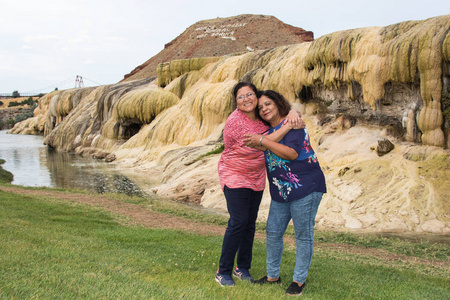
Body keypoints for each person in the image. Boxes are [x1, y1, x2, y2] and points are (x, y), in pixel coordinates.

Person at [215, 82, 303, 287]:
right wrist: (290, 123)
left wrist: (293, 112)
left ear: (255, 96)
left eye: (249, 94)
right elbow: (262, 142)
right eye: (240, 97)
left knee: (249, 224)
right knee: (238, 221)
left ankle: (242, 268)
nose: (246, 99)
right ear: (235, 102)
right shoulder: (236, 120)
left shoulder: (262, 117)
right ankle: (223, 271)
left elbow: (276, 118)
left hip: (255, 177)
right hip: (234, 174)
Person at [244, 90, 326, 296]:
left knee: (302, 235)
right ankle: (273, 276)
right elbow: (259, 143)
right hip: (281, 191)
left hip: (306, 186)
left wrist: (264, 140)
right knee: (272, 232)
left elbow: (291, 154)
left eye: (268, 104)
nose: (264, 109)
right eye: (260, 107)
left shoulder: (294, 124)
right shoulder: (268, 130)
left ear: (278, 104)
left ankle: (298, 281)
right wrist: (262, 139)